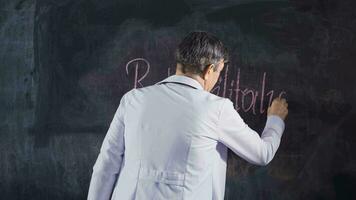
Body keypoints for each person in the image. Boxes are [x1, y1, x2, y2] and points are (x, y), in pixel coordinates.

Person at [87, 31, 288, 200]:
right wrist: (275, 120)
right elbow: (262, 154)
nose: (218, 79)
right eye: (219, 72)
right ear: (209, 70)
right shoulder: (216, 108)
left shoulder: (133, 99)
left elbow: (106, 163)